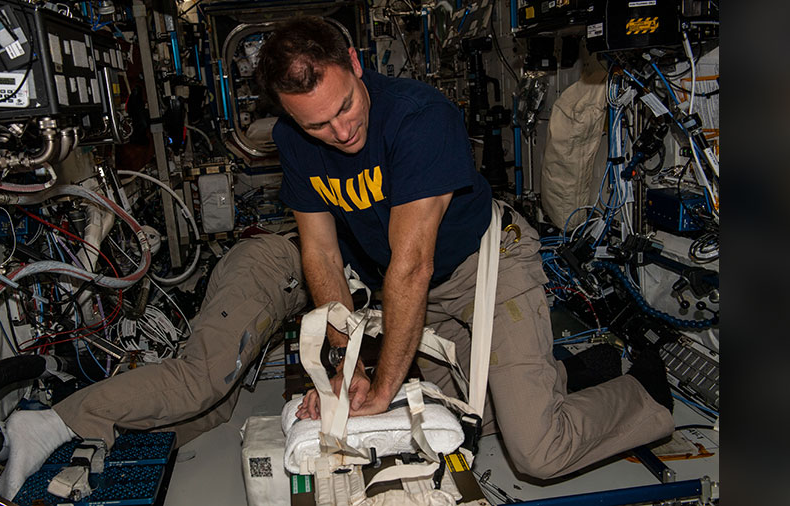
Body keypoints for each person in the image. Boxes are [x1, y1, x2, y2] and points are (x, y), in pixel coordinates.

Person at [256, 15, 675, 480]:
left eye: (346, 106)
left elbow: (412, 264)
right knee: (459, 422)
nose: (340, 131)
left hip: (486, 266)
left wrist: (379, 388)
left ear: (354, 62)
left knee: (538, 452)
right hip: (417, 295)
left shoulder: (418, 117)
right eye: (317, 124)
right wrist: (344, 364)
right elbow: (321, 253)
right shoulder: (291, 141)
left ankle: (645, 392)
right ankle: (567, 375)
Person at [0, 231, 308, 499]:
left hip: (276, 276)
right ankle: (53, 424)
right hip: (274, 269)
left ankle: (104, 437)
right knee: (201, 380)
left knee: (215, 409)